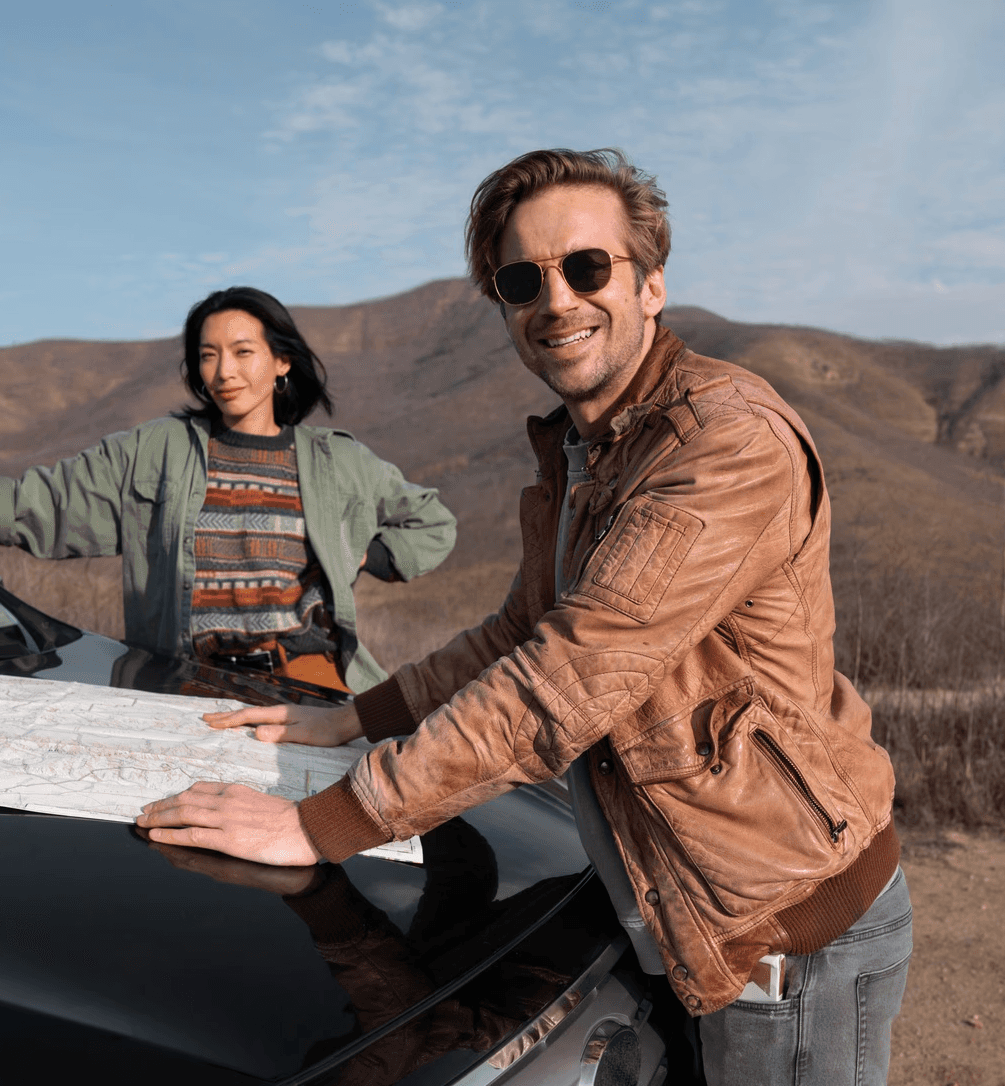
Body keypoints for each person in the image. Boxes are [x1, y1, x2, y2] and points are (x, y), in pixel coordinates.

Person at [137, 150, 909, 1085]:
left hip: (782, 934)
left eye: (589, 267)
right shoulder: (588, 454)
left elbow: (569, 677)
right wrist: (348, 718)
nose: (557, 301)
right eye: (522, 279)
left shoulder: (724, 443)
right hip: (679, 906)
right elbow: (515, 635)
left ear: (652, 283)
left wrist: (321, 826)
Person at [0, 286, 456, 693]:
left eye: (242, 351)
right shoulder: (157, 450)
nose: (224, 371)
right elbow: (41, 499)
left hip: (311, 683)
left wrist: (358, 554)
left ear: (281, 361)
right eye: (208, 356)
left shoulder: (337, 462)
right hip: (186, 683)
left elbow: (432, 523)